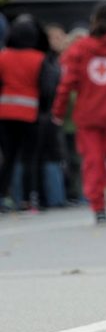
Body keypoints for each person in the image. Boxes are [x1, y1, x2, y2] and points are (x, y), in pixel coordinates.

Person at [52, 3, 106, 224]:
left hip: (88, 115)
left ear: (93, 22)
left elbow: (66, 83)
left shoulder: (79, 48)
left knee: (93, 162)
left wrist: (59, 111)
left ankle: (98, 208)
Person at [0, 15, 49, 212]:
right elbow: (45, 88)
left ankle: (2, 196)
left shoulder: (3, 56)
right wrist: (43, 110)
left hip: (4, 113)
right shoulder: (39, 58)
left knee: (8, 158)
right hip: (30, 114)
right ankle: (29, 199)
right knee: (29, 158)